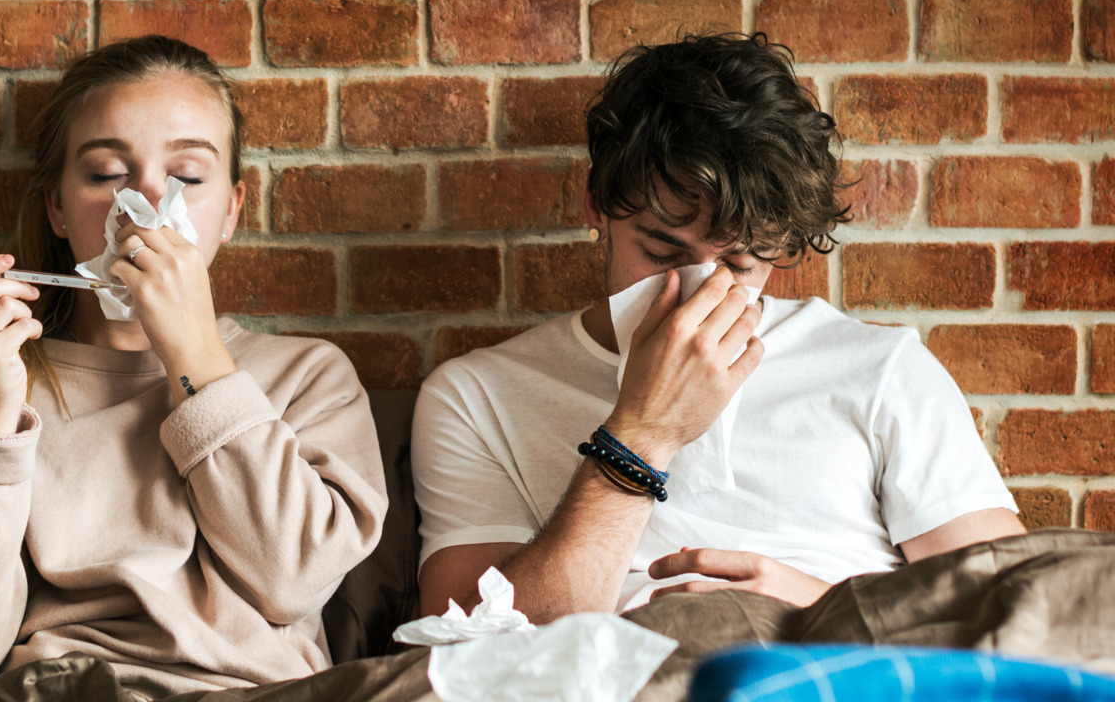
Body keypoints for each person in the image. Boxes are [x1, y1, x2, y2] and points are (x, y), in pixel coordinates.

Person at [411, 33, 1026, 625]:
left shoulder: (881, 368)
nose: (696, 292)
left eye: (737, 263)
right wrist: (642, 434)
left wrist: (822, 608)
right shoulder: (477, 395)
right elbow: (459, 646)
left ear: (780, 243)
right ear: (597, 204)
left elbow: (1012, 613)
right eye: (662, 251)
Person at [0, 35, 388, 699]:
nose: (147, 203)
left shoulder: (307, 376)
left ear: (230, 212)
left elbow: (293, 580)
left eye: (188, 177)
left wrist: (193, 354)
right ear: (57, 207)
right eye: (107, 175)